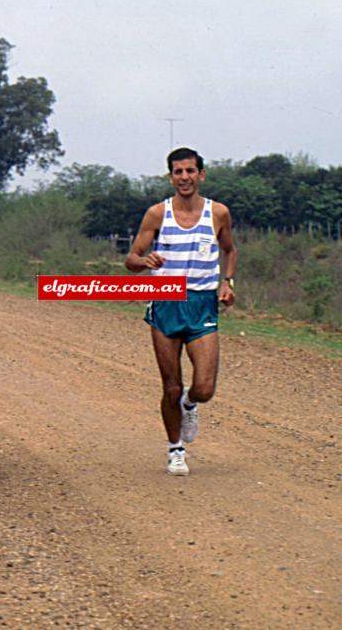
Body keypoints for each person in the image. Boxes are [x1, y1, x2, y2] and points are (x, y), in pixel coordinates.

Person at [124, 147, 237, 477]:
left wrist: (227, 282)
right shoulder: (157, 214)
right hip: (165, 302)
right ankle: (176, 450)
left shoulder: (218, 214)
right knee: (171, 386)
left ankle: (190, 406)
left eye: (190, 171)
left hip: (201, 302)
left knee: (203, 389)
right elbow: (131, 259)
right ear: (170, 176)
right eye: (178, 172)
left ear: (201, 174)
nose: (184, 177)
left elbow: (229, 250)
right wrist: (144, 261)